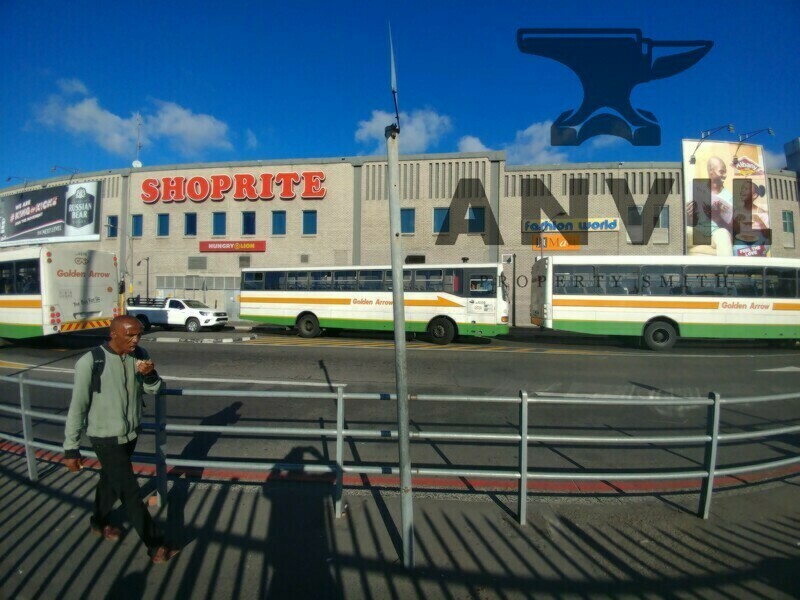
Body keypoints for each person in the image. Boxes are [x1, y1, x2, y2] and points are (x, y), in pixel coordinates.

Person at [63, 315, 179, 564]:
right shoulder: (91, 362)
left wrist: (150, 374)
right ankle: (156, 545)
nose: (136, 339)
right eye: (130, 335)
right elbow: (77, 407)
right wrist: (71, 448)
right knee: (129, 492)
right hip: (105, 437)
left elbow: (156, 389)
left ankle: (98, 521)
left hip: (131, 433)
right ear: (113, 334)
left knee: (109, 481)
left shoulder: (140, 354)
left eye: (139, 334)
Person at [686, 156, 733, 256]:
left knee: (723, 235)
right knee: (681, 232)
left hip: (715, 233)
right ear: (711, 171)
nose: (725, 175)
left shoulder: (729, 198)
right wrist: (687, 215)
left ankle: (727, 271)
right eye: (721, 171)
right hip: (697, 232)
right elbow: (689, 222)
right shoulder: (696, 190)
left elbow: (733, 231)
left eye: (725, 172)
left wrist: (718, 219)